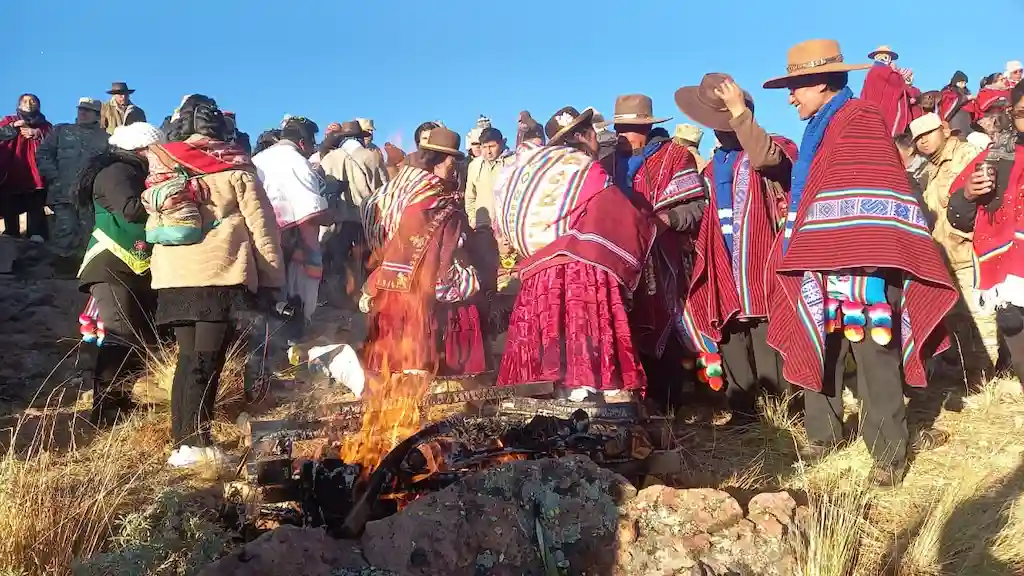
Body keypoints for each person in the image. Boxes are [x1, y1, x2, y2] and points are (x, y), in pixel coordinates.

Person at [762, 39, 958, 487]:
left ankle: (889, 453)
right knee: (822, 346)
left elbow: (872, 184)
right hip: (823, 256)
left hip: (867, 257)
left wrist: (844, 239)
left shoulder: (859, 118)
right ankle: (823, 434)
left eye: (796, 87)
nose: (791, 97)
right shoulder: (821, 127)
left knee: (874, 353)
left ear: (822, 83)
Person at [148, 95, 285, 468]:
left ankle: (183, 443)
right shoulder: (235, 168)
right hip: (217, 273)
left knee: (188, 359)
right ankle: (195, 446)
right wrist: (273, 280)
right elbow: (263, 230)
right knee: (207, 361)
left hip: (172, 277)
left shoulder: (164, 163)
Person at [495, 106, 657, 401]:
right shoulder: (586, 169)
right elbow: (616, 216)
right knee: (583, 335)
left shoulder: (527, 171)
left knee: (548, 342)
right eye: (592, 132)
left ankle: (550, 403)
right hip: (581, 271)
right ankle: (591, 400)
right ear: (583, 135)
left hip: (538, 274)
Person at [674, 73, 797, 420]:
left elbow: (768, 162)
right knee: (732, 338)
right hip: (723, 262)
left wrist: (740, 113)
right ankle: (744, 415)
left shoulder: (777, 146)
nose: (718, 130)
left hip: (761, 262)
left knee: (767, 338)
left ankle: (786, 410)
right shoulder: (715, 165)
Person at [360, 127, 487, 376]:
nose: (455, 165)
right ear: (438, 161)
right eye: (453, 160)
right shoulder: (430, 196)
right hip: (420, 277)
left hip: (397, 274)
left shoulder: (409, 188)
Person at [609, 93, 706, 408]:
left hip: (663, 260)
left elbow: (697, 205)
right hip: (621, 260)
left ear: (648, 126)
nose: (624, 136)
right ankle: (637, 402)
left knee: (665, 325)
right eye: (620, 128)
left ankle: (670, 403)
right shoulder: (607, 162)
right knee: (626, 327)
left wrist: (668, 219)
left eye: (630, 128)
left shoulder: (675, 157)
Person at [75, 122, 164, 426]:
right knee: (120, 335)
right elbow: (130, 209)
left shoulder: (135, 172)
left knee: (139, 337)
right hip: (112, 263)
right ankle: (107, 409)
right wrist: (169, 194)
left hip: (136, 266)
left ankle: (125, 402)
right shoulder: (116, 172)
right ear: (141, 149)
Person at [947, 82, 1024, 383]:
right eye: (1022, 112)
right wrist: (967, 195)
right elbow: (959, 216)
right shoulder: (997, 157)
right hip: (1011, 280)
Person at [909, 113, 992, 383]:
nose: (922, 142)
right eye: (917, 139)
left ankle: (991, 382)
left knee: (983, 321)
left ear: (944, 129)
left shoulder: (968, 154)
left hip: (971, 253)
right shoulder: (929, 171)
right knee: (958, 322)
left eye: (927, 134)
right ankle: (972, 380)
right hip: (947, 259)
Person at [252, 117, 330, 330]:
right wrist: (332, 216)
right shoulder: (297, 162)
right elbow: (310, 213)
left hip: (258, 240)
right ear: (303, 142)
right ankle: (290, 345)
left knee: (265, 304)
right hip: (290, 246)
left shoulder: (258, 159)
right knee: (292, 305)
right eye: (312, 143)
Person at [319, 120, 389, 309]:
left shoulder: (328, 159)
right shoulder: (371, 156)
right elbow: (384, 191)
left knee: (340, 267)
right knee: (365, 267)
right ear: (360, 137)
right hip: (363, 223)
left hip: (338, 224)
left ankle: (341, 308)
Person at [35, 97, 109, 273]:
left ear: (97, 115)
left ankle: (86, 270)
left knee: (88, 232)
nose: (82, 113)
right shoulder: (61, 131)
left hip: (89, 196)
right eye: (80, 109)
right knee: (64, 230)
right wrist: (55, 177)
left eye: (87, 110)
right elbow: (43, 154)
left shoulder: (106, 139)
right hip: (62, 192)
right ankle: (62, 269)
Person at [0, 94, 52, 239]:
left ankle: (35, 232)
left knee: (35, 201)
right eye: (25, 101)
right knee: (10, 200)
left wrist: (37, 133)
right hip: (13, 168)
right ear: (19, 105)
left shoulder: (44, 125)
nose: (28, 104)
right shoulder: (10, 120)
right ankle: (11, 231)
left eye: (32, 101)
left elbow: (53, 140)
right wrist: (12, 128)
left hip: (35, 171)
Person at [859, 45, 915, 137]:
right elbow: (896, 82)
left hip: (872, 113)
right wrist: (899, 73)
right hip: (882, 114)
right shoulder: (883, 71)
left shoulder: (872, 72)